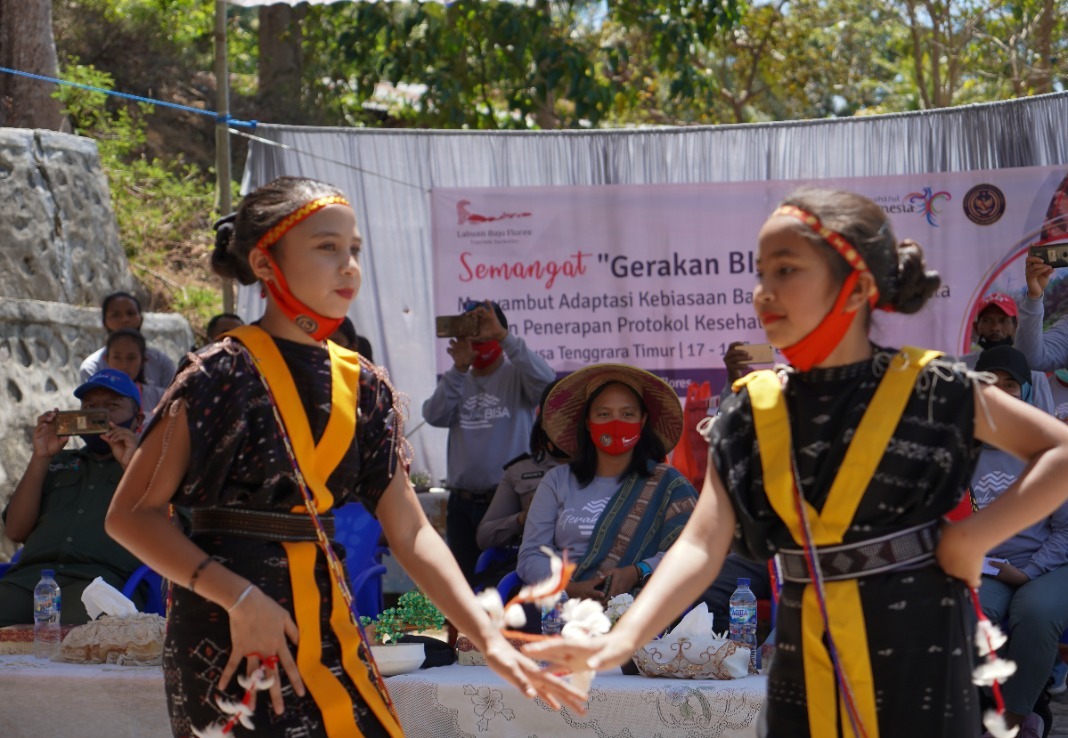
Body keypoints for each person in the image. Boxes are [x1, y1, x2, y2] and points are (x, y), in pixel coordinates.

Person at [526, 187, 1068, 738]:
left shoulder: (928, 385)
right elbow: (701, 545)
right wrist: (624, 636)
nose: (764, 291)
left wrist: (972, 539)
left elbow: (1060, 452)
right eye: (761, 273)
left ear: (855, 285)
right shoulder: (753, 410)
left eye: (786, 270)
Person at [104, 177, 583, 738]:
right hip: (230, 630)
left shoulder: (364, 386)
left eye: (353, 249)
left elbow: (411, 531)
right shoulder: (217, 375)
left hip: (329, 623)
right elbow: (130, 515)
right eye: (327, 247)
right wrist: (239, 598)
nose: (349, 266)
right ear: (264, 262)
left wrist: (488, 636)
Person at [517, 364, 697, 602]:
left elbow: (691, 551)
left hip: (643, 608)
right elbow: (531, 555)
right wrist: (570, 588)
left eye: (627, 414)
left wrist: (638, 571)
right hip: (564, 607)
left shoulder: (667, 483)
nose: (616, 423)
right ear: (588, 422)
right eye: (603, 414)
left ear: (642, 421)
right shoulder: (557, 480)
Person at [971, 345, 1068, 738]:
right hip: (987, 567)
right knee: (968, 615)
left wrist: (1027, 572)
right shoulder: (958, 451)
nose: (999, 391)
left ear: (1026, 392)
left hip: (1049, 565)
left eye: (1010, 384)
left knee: (1036, 612)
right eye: (989, 382)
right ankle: (982, 708)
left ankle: (1016, 718)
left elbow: (1066, 531)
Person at [422, 299, 555, 582]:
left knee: (505, 582)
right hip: (461, 502)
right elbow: (433, 415)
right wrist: (458, 370)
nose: (478, 340)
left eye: (486, 332)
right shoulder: (458, 379)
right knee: (464, 584)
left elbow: (548, 384)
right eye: (471, 332)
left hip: (507, 500)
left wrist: (505, 338)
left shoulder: (517, 374)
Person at [0, 369, 144, 626]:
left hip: (100, 583)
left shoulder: (152, 465)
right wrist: (41, 456)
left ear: (138, 419)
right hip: (30, 580)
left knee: (79, 637)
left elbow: (170, 529)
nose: (98, 413)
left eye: (112, 406)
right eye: (89, 406)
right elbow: (15, 530)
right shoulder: (58, 461)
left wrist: (132, 468)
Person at [476, 380, 566, 552]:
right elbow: (485, 537)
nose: (567, 424)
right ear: (543, 422)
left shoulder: (606, 466)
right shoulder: (519, 470)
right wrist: (523, 518)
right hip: (538, 560)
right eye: (558, 415)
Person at [960, 291, 1054, 412]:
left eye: (1003, 320)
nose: (995, 327)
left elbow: (1045, 419)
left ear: (1016, 327)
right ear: (976, 327)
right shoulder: (961, 367)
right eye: (987, 320)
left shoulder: (1034, 371)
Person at [80, 291, 177, 388]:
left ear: (141, 319)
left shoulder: (162, 364)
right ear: (105, 322)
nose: (124, 319)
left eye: (130, 313)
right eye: (115, 315)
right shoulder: (91, 368)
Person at [104, 328, 166, 423]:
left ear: (143, 361)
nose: (124, 365)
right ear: (106, 359)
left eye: (131, 358)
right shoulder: (94, 397)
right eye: (116, 357)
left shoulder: (160, 397)